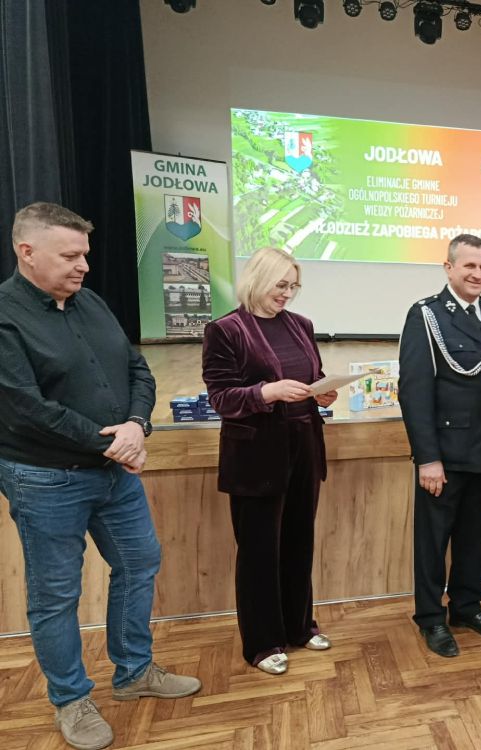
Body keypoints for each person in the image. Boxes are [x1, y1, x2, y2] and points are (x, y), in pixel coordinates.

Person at [0, 202, 201, 750]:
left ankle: (134, 672)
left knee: (139, 563)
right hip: (45, 479)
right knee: (56, 595)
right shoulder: (6, 315)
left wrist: (137, 425)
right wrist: (112, 442)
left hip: (113, 470)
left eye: (85, 254)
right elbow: (23, 408)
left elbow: (136, 368)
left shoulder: (91, 301)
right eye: (70, 255)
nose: (83, 265)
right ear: (27, 252)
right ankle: (71, 699)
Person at [202, 246, 338, 676]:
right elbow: (221, 397)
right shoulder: (226, 330)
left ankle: (299, 626)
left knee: (299, 541)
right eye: (281, 285)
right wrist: (268, 392)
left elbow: (312, 376)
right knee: (259, 551)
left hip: (304, 446)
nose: (288, 294)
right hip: (257, 455)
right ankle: (262, 643)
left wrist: (323, 391)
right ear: (258, 279)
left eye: (293, 286)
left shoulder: (301, 325)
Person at [398, 234, 481, 657]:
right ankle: (430, 617)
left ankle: (466, 606)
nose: (478, 274)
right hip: (444, 454)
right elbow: (414, 391)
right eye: (469, 266)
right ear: (449, 268)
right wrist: (428, 458)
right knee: (433, 541)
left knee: (475, 537)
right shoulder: (426, 315)